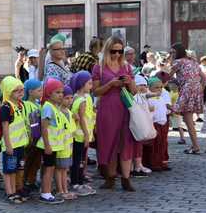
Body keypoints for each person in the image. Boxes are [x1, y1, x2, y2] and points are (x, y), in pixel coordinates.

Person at [92, 36, 137, 192]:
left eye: (120, 51)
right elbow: (96, 92)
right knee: (109, 143)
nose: (117, 54)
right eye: (114, 51)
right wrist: (111, 84)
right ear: (107, 49)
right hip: (107, 108)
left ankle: (126, 178)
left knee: (126, 143)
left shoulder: (127, 67)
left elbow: (135, 91)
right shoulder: (99, 67)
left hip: (125, 108)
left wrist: (129, 81)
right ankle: (110, 177)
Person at [169, 42, 206, 154]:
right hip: (196, 88)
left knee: (187, 119)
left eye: (173, 52)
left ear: (178, 52)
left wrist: (169, 59)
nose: (172, 54)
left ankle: (196, 146)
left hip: (187, 89)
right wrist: (201, 89)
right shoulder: (193, 62)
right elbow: (204, 77)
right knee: (188, 119)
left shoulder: (177, 62)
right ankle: (195, 146)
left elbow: (167, 75)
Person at [36, 78, 66, 204]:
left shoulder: (54, 107)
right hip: (48, 145)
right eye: (57, 92)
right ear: (49, 93)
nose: (61, 95)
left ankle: (46, 191)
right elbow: (44, 127)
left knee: (50, 168)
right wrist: (47, 145)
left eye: (61, 92)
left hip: (54, 145)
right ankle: (46, 193)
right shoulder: (48, 107)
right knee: (49, 169)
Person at [0, 76, 29, 203]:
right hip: (11, 145)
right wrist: (8, 145)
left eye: (22, 90)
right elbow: (5, 128)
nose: (21, 93)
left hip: (20, 144)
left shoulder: (19, 105)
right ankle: (9, 192)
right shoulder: (6, 107)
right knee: (9, 170)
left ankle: (15, 190)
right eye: (17, 91)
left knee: (15, 169)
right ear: (9, 92)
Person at [70, 71, 96, 196]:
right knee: (78, 160)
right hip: (80, 134)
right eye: (89, 83)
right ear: (82, 84)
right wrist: (87, 135)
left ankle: (79, 181)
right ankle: (77, 183)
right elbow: (82, 119)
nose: (91, 86)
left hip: (80, 134)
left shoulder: (77, 97)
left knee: (79, 159)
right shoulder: (82, 100)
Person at [142, 77, 171, 171]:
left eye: (160, 87)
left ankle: (161, 161)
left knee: (162, 144)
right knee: (154, 145)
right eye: (156, 87)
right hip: (154, 124)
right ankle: (152, 163)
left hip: (162, 123)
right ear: (149, 88)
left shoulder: (161, 98)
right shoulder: (148, 98)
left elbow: (164, 110)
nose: (159, 89)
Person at [21, 78, 43, 193]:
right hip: (30, 139)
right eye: (39, 90)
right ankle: (23, 180)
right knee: (28, 160)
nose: (41, 92)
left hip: (38, 139)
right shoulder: (25, 105)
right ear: (30, 92)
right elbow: (26, 121)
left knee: (36, 161)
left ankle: (32, 180)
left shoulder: (38, 104)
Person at [57, 86, 77, 200]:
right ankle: (61, 190)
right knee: (60, 169)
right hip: (61, 146)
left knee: (65, 169)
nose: (69, 101)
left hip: (68, 146)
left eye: (71, 98)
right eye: (66, 98)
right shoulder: (59, 112)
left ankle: (65, 189)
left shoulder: (69, 112)